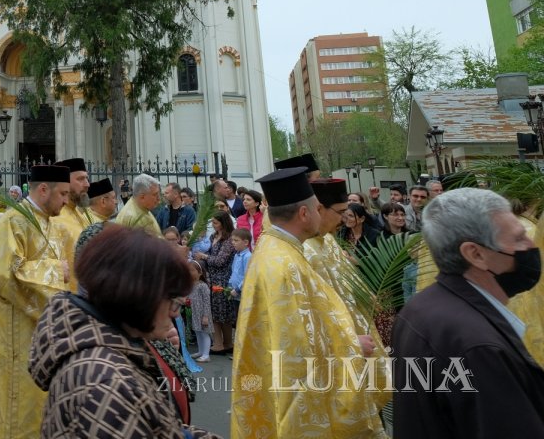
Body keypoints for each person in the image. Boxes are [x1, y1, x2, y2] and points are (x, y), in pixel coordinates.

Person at [231, 166, 386, 438]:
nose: (321, 215)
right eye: (317, 209)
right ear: (304, 213)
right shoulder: (283, 264)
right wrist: (351, 343)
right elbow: (296, 350)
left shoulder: (280, 250)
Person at [29, 225, 220, 439]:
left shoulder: (108, 349)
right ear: (138, 296)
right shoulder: (109, 387)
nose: (175, 314)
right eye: (172, 300)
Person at [392, 188, 544, 437]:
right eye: (519, 239)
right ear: (475, 254)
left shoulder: (419, 309)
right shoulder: (479, 347)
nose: (531, 245)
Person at [0, 165, 70, 439]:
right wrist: (54, 271)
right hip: (17, 332)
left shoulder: (49, 222)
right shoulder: (14, 220)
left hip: (43, 330)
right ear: (43, 189)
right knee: (17, 406)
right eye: (62, 194)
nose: (66, 201)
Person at [194, 212, 236, 354]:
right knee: (215, 312)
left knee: (223, 312)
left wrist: (204, 256)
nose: (213, 225)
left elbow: (220, 261)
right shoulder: (212, 237)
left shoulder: (229, 239)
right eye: (213, 222)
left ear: (224, 223)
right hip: (212, 277)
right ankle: (220, 343)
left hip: (223, 278)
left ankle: (226, 343)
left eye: (216, 223)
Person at [51, 158, 93, 293]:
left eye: (87, 179)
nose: (87, 184)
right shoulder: (54, 218)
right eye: (80, 179)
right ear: (64, 183)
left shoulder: (80, 214)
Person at [189, 260, 213, 362]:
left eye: (192, 270)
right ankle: (200, 351)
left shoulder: (202, 285)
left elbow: (207, 301)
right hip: (195, 313)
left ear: (200, 272)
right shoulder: (192, 285)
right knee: (198, 332)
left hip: (203, 313)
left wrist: (206, 316)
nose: (190, 272)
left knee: (204, 333)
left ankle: (206, 355)